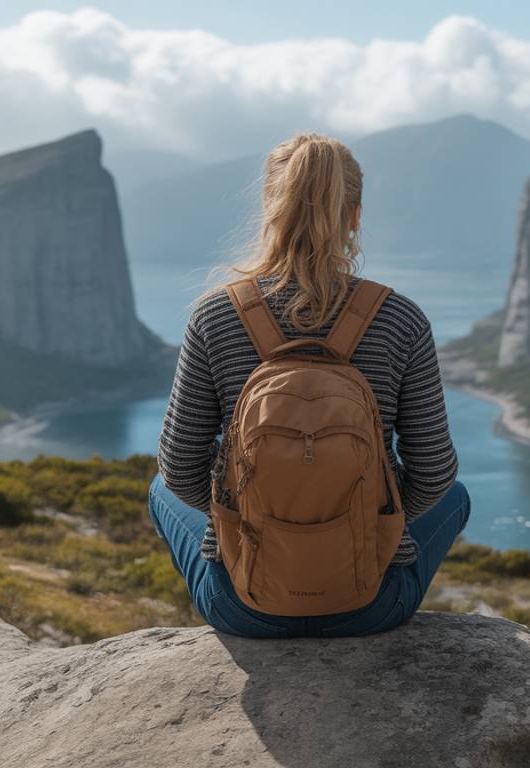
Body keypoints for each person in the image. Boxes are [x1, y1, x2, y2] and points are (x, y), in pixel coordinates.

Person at [148, 131, 469, 638]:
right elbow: (433, 475)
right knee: (457, 495)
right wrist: (368, 526)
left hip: (244, 606)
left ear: (271, 209)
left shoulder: (216, 316)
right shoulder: (399, 319)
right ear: (355, 215)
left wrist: (249, 521)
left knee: (157, 487)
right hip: (371, 604)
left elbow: (180, 470)